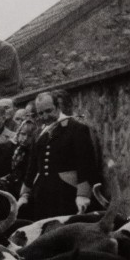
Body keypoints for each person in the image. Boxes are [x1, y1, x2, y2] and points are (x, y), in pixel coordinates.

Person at [18, 91, 99, 219]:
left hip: (67, 194)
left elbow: (86, 164)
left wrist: (83, 194)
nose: (45, 116)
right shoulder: (38, 134)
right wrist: (25, 193)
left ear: (58, 107)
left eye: (48, 111)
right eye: (40, 113)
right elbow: (32, 167)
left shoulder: (76, 128)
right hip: (41, 196)